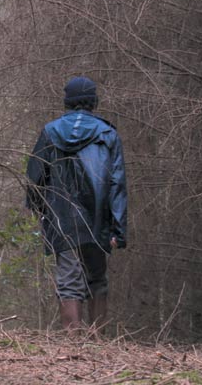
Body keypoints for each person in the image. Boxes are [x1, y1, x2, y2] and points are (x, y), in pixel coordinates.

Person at [26, 76, 127, 333]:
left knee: (69, 280)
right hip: (98, 217)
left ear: (67, 101)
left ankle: (73, 344)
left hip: (62, 216)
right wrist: (118, 229)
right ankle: (99, 343)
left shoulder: (50, 132)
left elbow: (36, 177)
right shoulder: (108, 134)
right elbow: (117, 183)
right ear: (93, 101)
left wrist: (41, 212)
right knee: (97, 278)